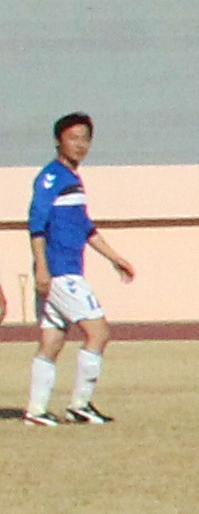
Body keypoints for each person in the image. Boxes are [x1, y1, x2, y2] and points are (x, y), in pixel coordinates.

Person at [27, 114, 137, 427]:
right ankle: (80, 405)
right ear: (57, 140)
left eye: (85, 138)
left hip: (63, 271)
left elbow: (85, 227)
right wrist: (43, 270)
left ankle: (36, 411)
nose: (80, 145)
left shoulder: (73, 180)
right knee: (99, 332)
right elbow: (36, 225)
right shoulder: (52, 177)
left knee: (52, 341)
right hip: (61, 273)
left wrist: (115, 257)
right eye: (73, 137)